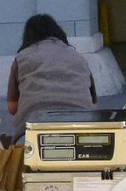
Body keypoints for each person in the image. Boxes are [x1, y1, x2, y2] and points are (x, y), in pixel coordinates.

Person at [6, 14, 96, 143]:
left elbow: (12, 107)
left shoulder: (22, 58)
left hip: (34, 130)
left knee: (25, 152)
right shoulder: (77, 57)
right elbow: (92, 101)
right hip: (81, 128)